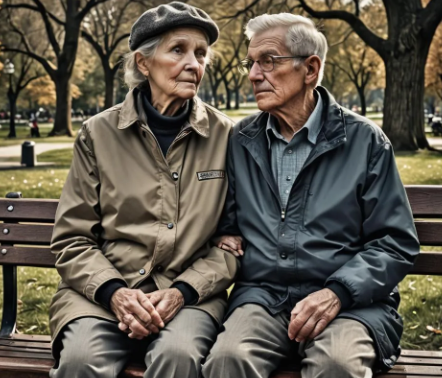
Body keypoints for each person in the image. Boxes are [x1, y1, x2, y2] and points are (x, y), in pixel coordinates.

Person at [202, 13, 419, 378]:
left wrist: (337, 292)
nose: (254, 75)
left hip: (351, 302)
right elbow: (225, 217)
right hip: (263, 297)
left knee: (336, 365)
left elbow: (394, 242)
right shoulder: (241, 140)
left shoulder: (364, 141)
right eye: (251, 63)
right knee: (228, 359)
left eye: (268, 62)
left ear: (311, 68)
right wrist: (224, 233)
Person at [48, 3, 238, 378]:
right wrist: (116, 294)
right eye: (178, 50)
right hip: (101, 294)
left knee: (179, 357)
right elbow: (72, 239)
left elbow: (232, 244)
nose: (193, 63)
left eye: (201, 54)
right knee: (79, 361)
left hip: (190, 296)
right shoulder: (98, 134)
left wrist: (182, 291)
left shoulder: (228, 137)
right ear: (144, 63)